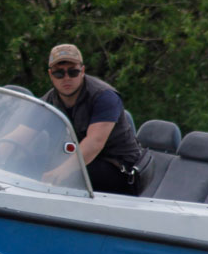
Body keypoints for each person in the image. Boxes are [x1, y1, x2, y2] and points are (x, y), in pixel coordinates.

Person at [40, 43, 146, 194]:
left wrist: (59, 173)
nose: (66, 78)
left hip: (119, 169)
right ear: (51, 75)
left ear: (82, 71)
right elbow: (23, 132)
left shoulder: (105, 96)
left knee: (70, 176)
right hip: (85, 163)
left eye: (73, 72)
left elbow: (94, 143)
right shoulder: (50, 99)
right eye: (59, 74)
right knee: (33, 163)